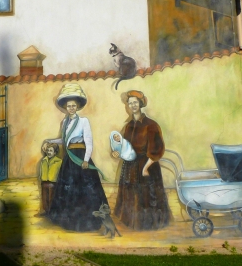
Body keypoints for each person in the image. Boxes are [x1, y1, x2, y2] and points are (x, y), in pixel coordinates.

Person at [43, 83, 108, 232]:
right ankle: (68, 220)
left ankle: (89, 220)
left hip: (80, 157)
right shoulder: (64, 122)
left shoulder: (84, 121)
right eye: (68, 106)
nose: (71, 108)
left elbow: (89, 141)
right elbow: (64, 141)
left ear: (77, 106)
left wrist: (86, 160)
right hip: (69, 159)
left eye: (73, 106)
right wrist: (50, 141)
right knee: (68, 190)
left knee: (84, 189)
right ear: (65, 107)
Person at [112, 90, 171, 230]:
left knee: (145, 195)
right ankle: (130, 222)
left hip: (147, 165)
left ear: (140, 103)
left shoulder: (151, 125)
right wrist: (117, 152)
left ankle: (148, 224)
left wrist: (145, 168)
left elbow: (157, 150)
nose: (132, 105)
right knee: (131, 194)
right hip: (130, 165)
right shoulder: (128, 126)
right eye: (130, 103)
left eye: (135, 102)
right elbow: (125, 146)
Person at [36, 143, 62, 217]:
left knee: (52, 198)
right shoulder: (44, 160)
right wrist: (41, 179)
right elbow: (41, 171)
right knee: (45, 198)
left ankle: (52, 212)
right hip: (44, 182)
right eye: (47, 150)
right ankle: (46, 211)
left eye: (51, 150)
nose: (48, 152)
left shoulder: (59, 161)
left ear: (55, 152)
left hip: (53, 182)